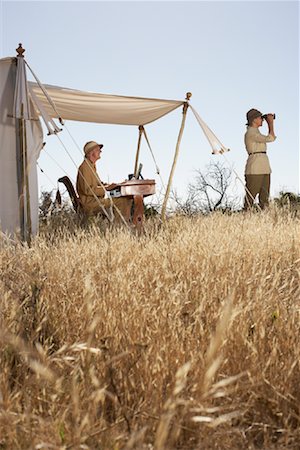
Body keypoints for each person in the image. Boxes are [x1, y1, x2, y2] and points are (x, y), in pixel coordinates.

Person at [76, 141, 132, 222]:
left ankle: (121, 225)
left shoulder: (91, 166)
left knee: (125, 198)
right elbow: (88, 190)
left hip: (95, 201)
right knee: (122, 200)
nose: (100, 152)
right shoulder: (85, 167)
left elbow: (99, 184)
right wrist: (107, 188)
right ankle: (119, 228)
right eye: (98, 150)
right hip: (90, 204)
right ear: (91, 153)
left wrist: (116, 185)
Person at [243, 108, 276, 210]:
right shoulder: (250, 133)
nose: (262, 120)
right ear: (254, 120)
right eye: (260, 118)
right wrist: (270, 123)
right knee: (250, 197)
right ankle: (245, 217)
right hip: (255, 169)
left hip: (264, 167)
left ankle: (263, 220)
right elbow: (270, 138)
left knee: (265, 198)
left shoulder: (256, 132)